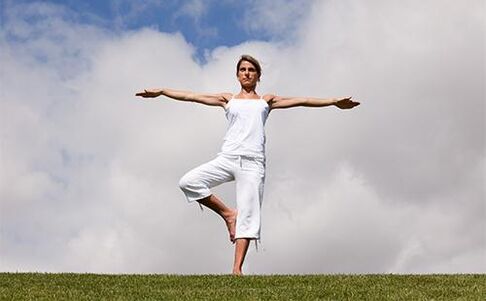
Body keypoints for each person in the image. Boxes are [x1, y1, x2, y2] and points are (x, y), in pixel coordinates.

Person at [136, 54, 360, 275]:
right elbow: (191, 96)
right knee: (188, 181)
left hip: (253, 163)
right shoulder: (227, 99)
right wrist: (163, 92)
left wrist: (333, 102)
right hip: (227, 157)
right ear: (237, 75)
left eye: (251, 70)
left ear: (258, 76)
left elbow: (303, 101)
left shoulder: (266, 101)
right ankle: (228, 215)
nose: (247, 73)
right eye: (243, 70)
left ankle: (236, 269)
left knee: (249, 215)